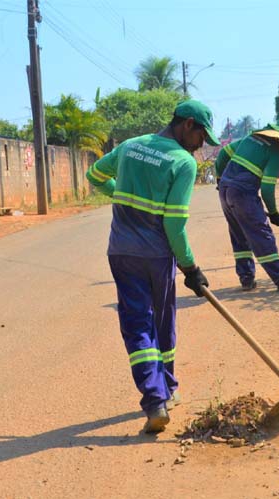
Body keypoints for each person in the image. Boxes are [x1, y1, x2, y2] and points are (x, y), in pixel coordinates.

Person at [85, 99, 219, 434]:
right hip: (158, 256)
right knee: (162, 320)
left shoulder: (129, 147)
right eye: (202, 136)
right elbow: (174, 225)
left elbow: (94, 175)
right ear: (188, 125)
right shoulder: (182, 162)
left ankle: (157, 396)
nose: (202, 144)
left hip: (122, 253)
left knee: (136, 324)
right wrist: (190, 268)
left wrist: (121, 195)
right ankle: (167, 390)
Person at [214, 115, 279, 292]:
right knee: (261, 234)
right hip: (243, 194)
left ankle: (246, 279)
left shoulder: (249, 138)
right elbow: (267, 189)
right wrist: (273, 213)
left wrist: (221, 180)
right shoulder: (274, 153)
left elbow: (222, 155)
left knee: (238, 235)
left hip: (225, 191)